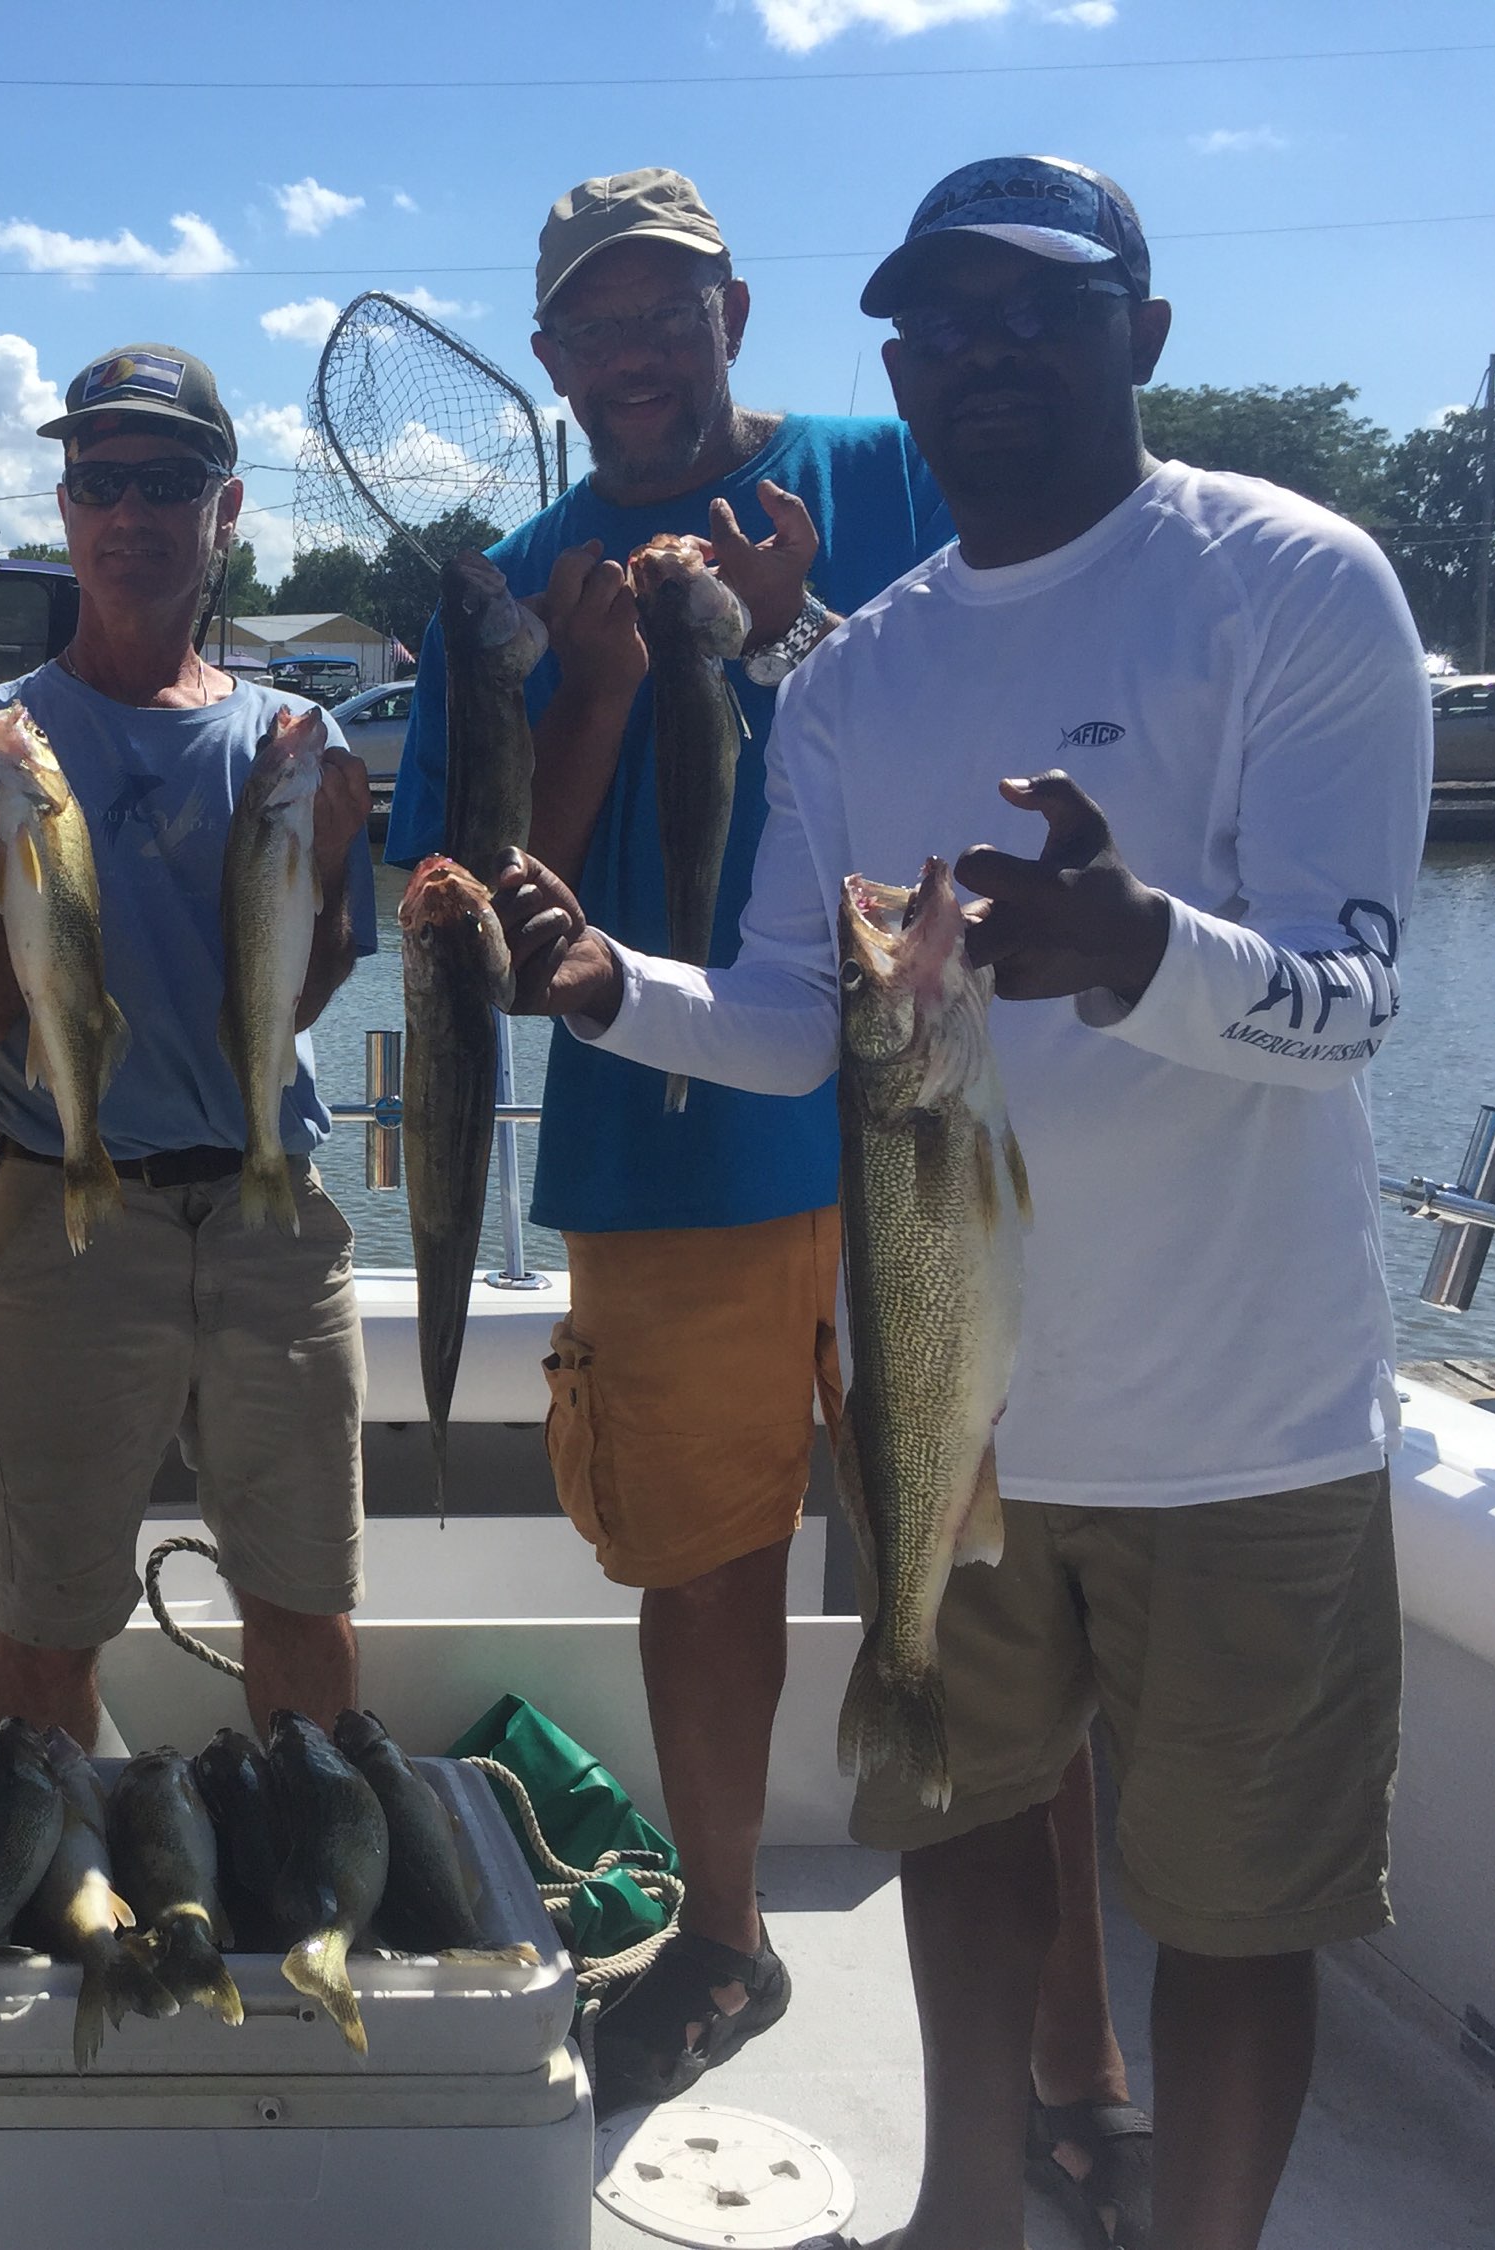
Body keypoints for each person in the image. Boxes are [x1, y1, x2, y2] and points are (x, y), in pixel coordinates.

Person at [490, 156, 1426, 2250]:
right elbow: (792, 1026)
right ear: (894, 362)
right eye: (946, 322)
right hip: (961, 1421)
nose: (988, 354)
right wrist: (607, 989)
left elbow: (1358, 1000)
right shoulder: (851, 680)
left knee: (1236, 1910)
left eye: (1043, 312)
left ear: (1145, 339)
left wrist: (1137, 946)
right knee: (965, 1828)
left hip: (1247, 1419)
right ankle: (965, 2218)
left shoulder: (1292, 578)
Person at [388, 165, 954, 2107]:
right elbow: (467, 893)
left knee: (988, 1562)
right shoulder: (526, 586)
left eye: (664, 308)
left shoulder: (894, 472)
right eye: (591, 323)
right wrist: (614, 685)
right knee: (703, 1567)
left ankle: (1067, 2031)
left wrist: (800, 637)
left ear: (734, 307)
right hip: (663, 1136)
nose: (630, 352)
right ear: (547, 354)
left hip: (927, 1113)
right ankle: (726, 1934)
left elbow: (1019, 694)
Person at [0, 344, 378, 1743]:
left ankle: (305, 1896)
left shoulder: (296, 736)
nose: (132, 512)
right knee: (46, 1617)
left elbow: (295, 1004)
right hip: (61, 1206)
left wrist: (342, 885)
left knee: (305, 1597)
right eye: (100, 480)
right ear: (64, 509)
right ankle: (58, 1905)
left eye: (167, 482)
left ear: (225, 511)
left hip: (268, 1207)